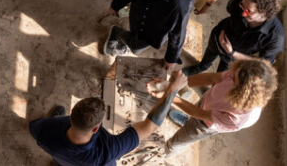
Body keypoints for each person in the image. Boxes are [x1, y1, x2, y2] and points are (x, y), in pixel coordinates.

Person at [29, 70, 188, 166]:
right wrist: (172, 89)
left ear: (71, 116)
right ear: (96, 128)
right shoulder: (107, 151)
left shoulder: (47, 131)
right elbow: (150, 126)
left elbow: (33, 128)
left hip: (60, 157)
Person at [147, 59, 278, 156]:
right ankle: (187, 121)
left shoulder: (239, 117)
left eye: (234, 80)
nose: (230, 76)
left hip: (206, 124)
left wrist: (170, 93)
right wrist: (176, 85)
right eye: (233, 74)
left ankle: (166, 152)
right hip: (208, 102)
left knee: (178, 141)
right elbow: (211, 78)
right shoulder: (242, 73)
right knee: (194, 115)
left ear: (242, 93)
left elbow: (199, 114)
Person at [183, 0, 285, 76]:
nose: (242, 13)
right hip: (216, 38)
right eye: (242, 5)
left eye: (248, 11)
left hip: (233, 58)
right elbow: (230, 7)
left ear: (265, 13)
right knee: (209, 54)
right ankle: (201, 67)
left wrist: (232, 53)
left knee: (219, 78)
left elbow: (263, 64)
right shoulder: (238, 2)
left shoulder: (275, 37)